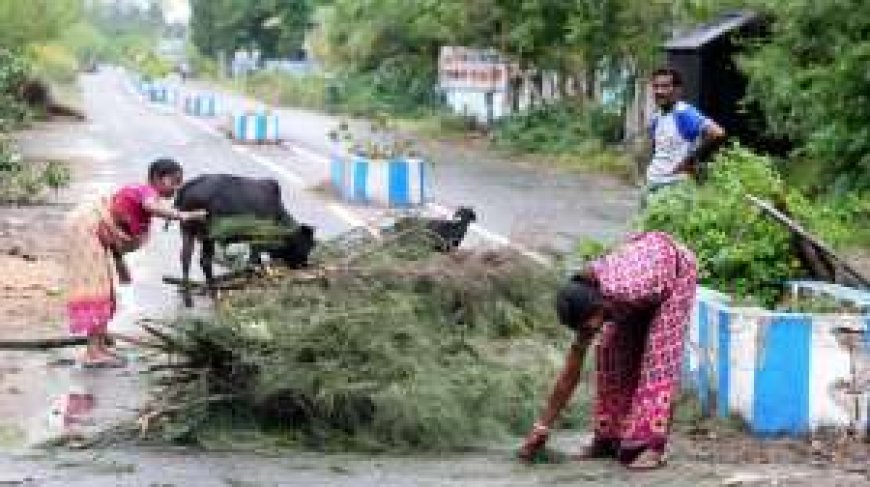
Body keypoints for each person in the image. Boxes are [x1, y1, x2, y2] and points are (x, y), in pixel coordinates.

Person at [519, 231, 697, 470]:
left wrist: (646, 338)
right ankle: (610, 439)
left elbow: (661, 354)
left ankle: (650, 447)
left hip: (675, 272)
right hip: (647, 274)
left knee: (657, 361)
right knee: (608, 353)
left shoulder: (626, 288)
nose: (592, 330)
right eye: (586, 328)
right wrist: (542, 427)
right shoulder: (592, 298)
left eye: (592, 324)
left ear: (600, 303)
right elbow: (571, 370)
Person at [64, 158, 206, 368]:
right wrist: (184, 215)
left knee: (107, 291)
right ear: (158, 178)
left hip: (97, 234)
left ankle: (99, 348)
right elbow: (151, 207)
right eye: (174, 181)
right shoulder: (145, 192)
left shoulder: (142, 199)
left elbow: (121, 238)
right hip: (87, 230)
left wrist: (122, 262)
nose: (177, 188)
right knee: (96, 290)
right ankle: (93, 353)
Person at [645, 68, 726, 200]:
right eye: (656, 86)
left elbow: (717, 132)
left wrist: (690, 159)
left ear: (677, 90)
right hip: (653, 182)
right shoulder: (657, 116)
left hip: (674, 186)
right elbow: (657, 149)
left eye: (665, 86)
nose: (659, 91)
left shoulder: (683, 113)